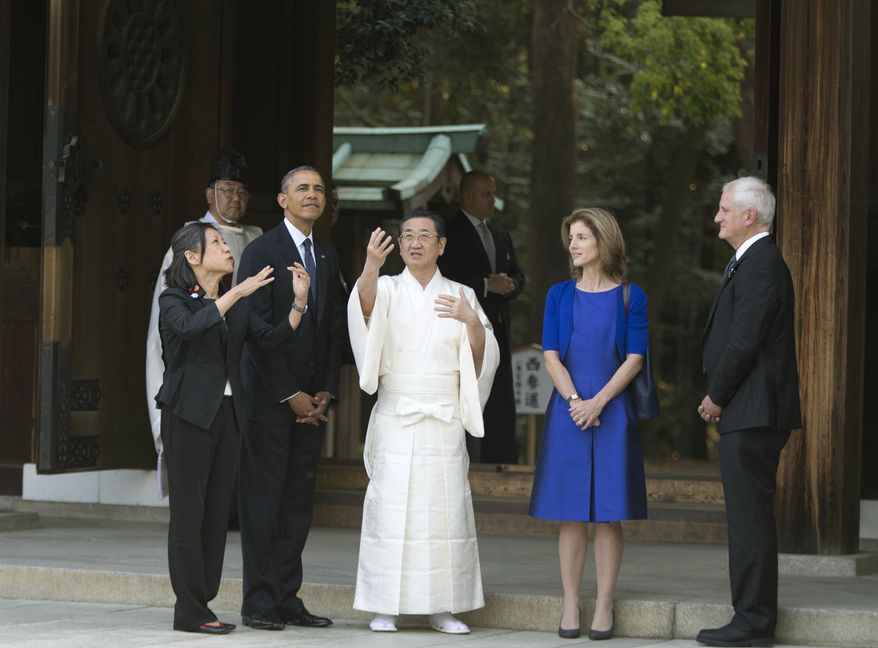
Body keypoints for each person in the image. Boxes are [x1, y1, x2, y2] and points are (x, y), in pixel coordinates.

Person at [348, 209, 499, 634]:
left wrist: (472, 322)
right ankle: (383, 604)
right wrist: (371, 269)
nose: (415, 242)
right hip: (398, 414)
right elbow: (363, 317)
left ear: (442, 245)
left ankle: (444, 606)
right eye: (408, 235)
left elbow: (482, 359)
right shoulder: (388, 287)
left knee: (444, 513)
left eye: (425, 235)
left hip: (443, 415)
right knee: (390, 510)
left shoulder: (461, 293)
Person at [155, 222, 311, 634]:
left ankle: (203, 601)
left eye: (226, 242)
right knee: (188, 516)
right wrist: (238, 292)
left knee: (215, 515)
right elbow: (191, 328)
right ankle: (189, 611)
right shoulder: (173, 300)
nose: (227, 248)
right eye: (218, 243)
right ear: (192, 257)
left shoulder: (235, 304)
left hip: (228, 416)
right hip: (187, 414)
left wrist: (297, 305)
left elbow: (270, 341)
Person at [529, 208, 649, 641]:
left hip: (613, 409)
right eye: (571, 238)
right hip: (569, 410)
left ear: (604, 241)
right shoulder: (559, 294)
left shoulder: (631, 296)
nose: (573, 245)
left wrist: (598, 401)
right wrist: (577, 401)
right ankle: (569, 603)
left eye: (582, 237)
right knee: (570, 514)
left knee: (609, 515)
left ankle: (603, 603)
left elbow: (635, 358)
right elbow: (551, 355)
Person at [236, 165, 345, 631]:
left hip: (311, 403)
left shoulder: (327, 253)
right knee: (264, 500)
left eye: (319, 189)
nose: (312, 195)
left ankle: (286, 596)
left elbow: (332, 329)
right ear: (282, 200)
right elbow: (252, 333)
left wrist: (325, 391)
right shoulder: (261, 251)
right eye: (302, 188)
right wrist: (290, 394)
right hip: (268, 400)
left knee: (298, 502)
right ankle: (258, 601)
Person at [696, 177, 801, 648]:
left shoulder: (761, 263)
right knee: (748, 518)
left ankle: (753, 622)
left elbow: (745, 340)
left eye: (723, 210)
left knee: (749, 520)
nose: (717, 217)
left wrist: (716, 395)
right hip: (750, 409)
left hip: (753, 410)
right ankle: (751, 617)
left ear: (748, 216)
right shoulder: (752, 261)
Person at [146, 148, 262, 479]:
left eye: (241, 192)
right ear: (209, 194)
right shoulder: (189, 241)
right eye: (227, 190)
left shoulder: (256, 238)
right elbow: (168, 325)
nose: (235, 198)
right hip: (195, 381)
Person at [439, 171, 525, 464]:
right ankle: (470, 459)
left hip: (498, 325)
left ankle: (501, 458)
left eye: (493, 193)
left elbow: (517, 274)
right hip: (462, 327)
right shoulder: (449, 232)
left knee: (501, 392)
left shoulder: (500, 234)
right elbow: (446, 278)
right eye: (486, 194)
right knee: (469, 389)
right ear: (467, 197)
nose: (493, 200)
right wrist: (487, 285)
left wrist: (511, 285)